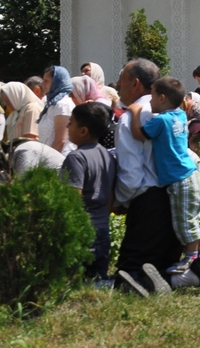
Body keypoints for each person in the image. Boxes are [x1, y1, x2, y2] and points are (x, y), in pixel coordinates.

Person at [114, 59, 200, 295]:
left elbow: (131, 173)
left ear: (135, 83)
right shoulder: (176, 114)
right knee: (168, 258)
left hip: (148, 202)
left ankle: (176, 275)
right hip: (175, 189)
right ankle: (196, 269)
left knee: (134, 268)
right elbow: (190, 155)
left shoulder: (133, 117)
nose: (118, 88)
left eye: (120, 82)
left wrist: (120, 200)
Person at [128, 77, 200, 275]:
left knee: (185, 221)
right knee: (196, 217)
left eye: (152, 97)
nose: (149, 102)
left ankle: (190, 260)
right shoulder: (180, 115)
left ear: (162, 98)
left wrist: (135, 113)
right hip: (191, 173)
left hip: (178, 178)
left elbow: (138, 134)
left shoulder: (160, 121)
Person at [63, 101, 117, 285]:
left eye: (71, 123)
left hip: (84, 230)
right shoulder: (107, 155)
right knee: (98, 279)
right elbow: (110, 195)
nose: (67, 126)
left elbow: (73, 198)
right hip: (102, 228)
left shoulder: (76, 158)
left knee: (78, 282)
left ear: (83, 130)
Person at [38, 66, 76, 155]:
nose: (42, 84)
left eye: (46, 81)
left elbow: (61, 141)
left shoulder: (63, 105)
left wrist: (46, 162)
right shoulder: (51, 104)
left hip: (59, 159)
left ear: (57, 82)